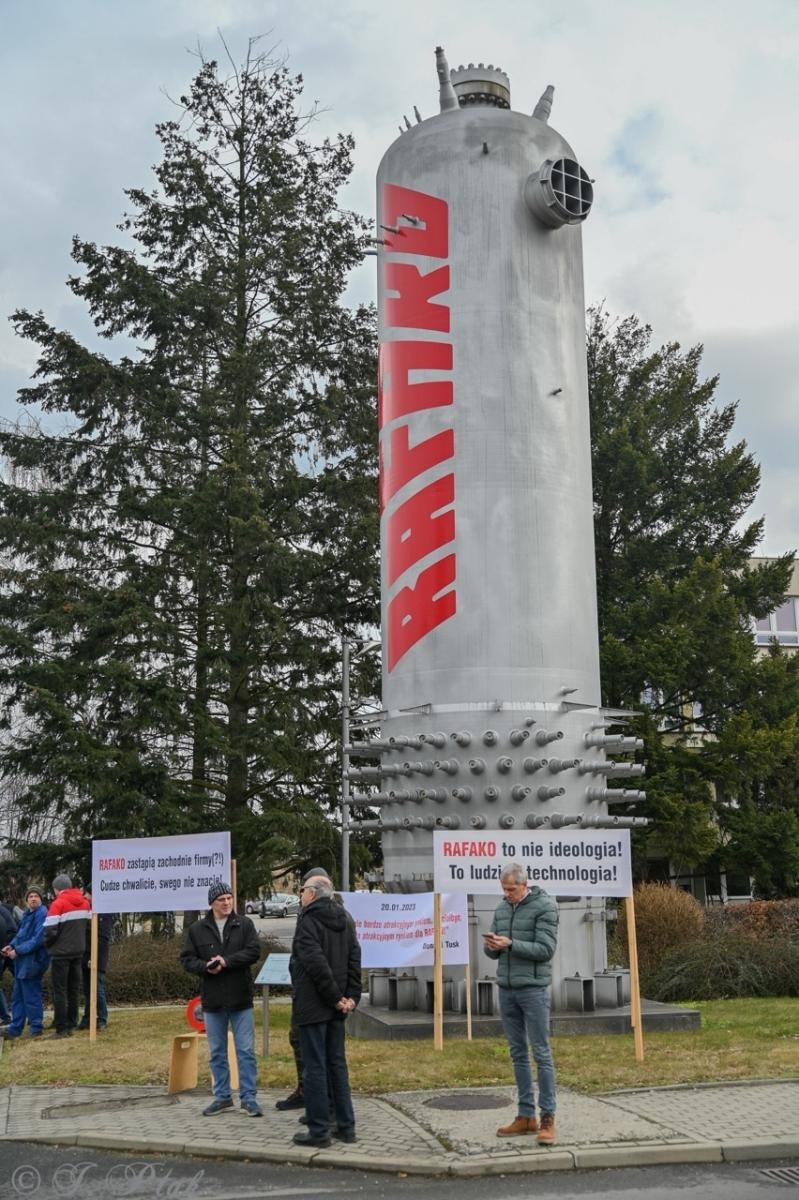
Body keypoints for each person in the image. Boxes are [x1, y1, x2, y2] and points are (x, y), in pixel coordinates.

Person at [483, 862, 559, 1145]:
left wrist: (511, 944)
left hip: (533, 990)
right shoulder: (502, 908)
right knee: (517, 1053)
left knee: (541, 1053)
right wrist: (491, 946)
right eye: (504, 889)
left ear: (525, 885)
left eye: (511, 889)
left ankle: (547, 1118)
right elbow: (493, 954)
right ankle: (526, 1116)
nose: (507, 894)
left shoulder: (545, 907)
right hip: (507, 988)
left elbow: (546, 949)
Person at [289, 875, 361, 1147]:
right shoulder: (346, 918)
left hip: (313, 1005)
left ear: (313, 893)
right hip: (337, 1005)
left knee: (315, 1068)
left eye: (303, 890)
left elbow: (315, 964)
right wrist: (351, 997)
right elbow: (354, 957)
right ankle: (346, 1127)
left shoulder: (308, 921)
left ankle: (319, 1131)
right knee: (337, 1065)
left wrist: (336, 998)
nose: (300, 895)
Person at [180, 882, 262, 1117]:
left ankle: (249, 1098)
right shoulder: (197, 929)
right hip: (213, 1000)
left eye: (229, 898)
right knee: (217, 1052)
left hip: (240, 998)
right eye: (221, 899)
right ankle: (222, 1097)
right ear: (212, 903)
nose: (226, 903)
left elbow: (253, 952)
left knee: (245, 1051)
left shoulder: (244, 924)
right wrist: (205, 967)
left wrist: (227, 961)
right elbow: (187, 959)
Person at [275, 864, 332, 1112]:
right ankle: (304, 1090)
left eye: (306, 889)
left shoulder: (331, 913)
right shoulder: (304, 913)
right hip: (302, 989)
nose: (302, 894)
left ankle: (322, 1099)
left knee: (320, 1048)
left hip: (319, 992)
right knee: (297, 1039)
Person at [43, 874, 91, 1038]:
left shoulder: (58, 903)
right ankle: (72, 1022)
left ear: (56, 889)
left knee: (60, 991)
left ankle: (61, 1028)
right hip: (78, 952)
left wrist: (49, 945)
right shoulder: (85, 903)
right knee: (73, 990)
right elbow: (88, 928)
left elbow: (49, 931)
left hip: (60, 954)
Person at [1, 886, 49, 1038]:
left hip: (34, 961)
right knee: (18, 996)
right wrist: (11, 945)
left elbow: (37, 940)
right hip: (23, 962)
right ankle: (15, 1028)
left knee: (31, 995)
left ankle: (36, 1028)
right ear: (27, 900)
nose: (33, 899)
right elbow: (20, 935)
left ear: (40, 899)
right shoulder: (27, 914)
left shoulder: (42, 914)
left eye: (36, 896)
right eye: (30, 896)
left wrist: (18, 951)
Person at [78, 884, 113, 1031]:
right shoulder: (87, 911)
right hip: (85, 955)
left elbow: (102, 938)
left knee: (97, 988)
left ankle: (102, 1018)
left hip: (97, 956)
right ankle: (88, 1017)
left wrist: (95, 957)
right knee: (87, 989)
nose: (84, 896)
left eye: (87, 894)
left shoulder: (104, 913)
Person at [0, 898, 19, 1026]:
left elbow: (14, 929)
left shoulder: (5, 910)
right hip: (6, 949)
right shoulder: (7, 910)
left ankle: (6, 1016)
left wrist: (7, 946)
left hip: (8, 951)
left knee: (21, 980)